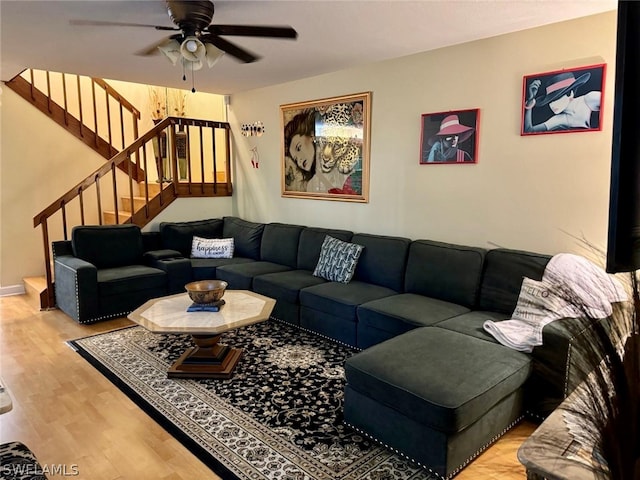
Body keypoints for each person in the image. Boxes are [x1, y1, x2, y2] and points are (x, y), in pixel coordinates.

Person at [523, 71, 601, 133]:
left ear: (570, 93)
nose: (551, 104)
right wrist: (530, 99)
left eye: (557, 98)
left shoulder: (590, 98)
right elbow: (529, 130)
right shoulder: (561, 119)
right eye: (550, 100)